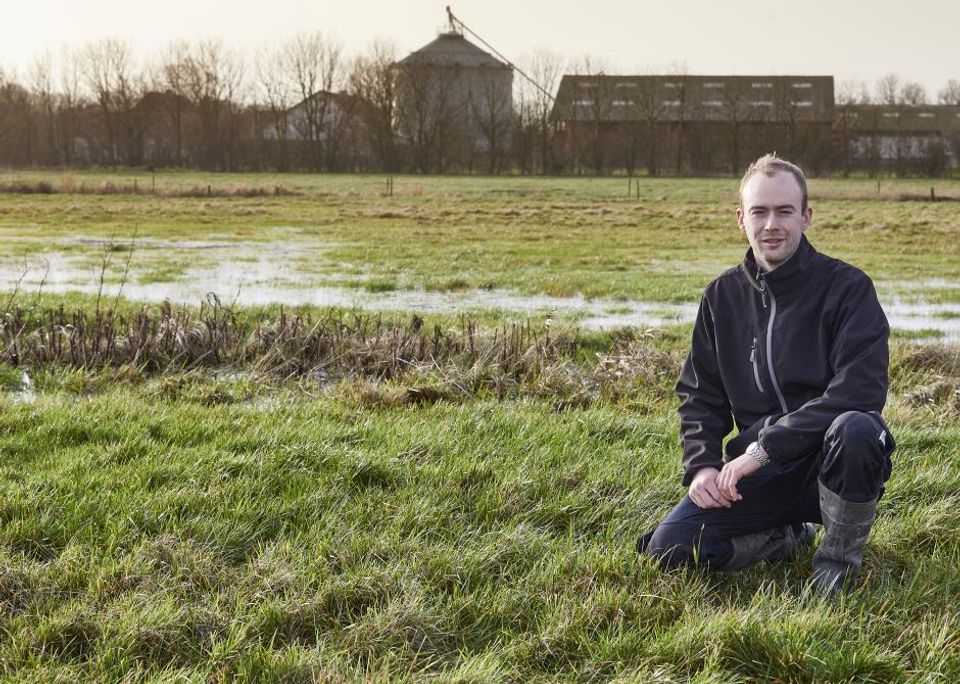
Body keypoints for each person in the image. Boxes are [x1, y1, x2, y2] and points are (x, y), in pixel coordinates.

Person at [639, 154, 895, 594]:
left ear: (806, 216)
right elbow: (701, 394)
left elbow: (859, 391)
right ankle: (784, 538)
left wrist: (761, 449)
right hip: (755, 475)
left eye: (784, 211)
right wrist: (701, 466)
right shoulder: (721, 297)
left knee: (857, 427)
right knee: (671, 548)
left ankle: (836, 562)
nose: (771, 224)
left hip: (828, 462)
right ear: (742, 219)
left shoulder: (849, 289)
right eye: (759, 211)